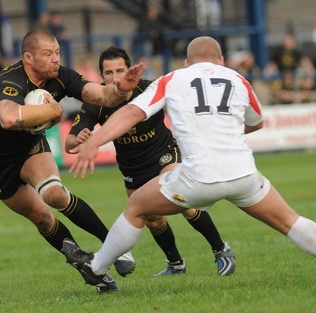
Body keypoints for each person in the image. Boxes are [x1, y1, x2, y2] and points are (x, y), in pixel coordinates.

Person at [62, 36, 316, 293]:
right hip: (243, 174)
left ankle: (96, 267)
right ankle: (181, 259)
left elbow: (130, 113)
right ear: (222, 61)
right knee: (290, 222)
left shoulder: (172, 79)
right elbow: (257, 121)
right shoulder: (238, 79)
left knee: (137, 205)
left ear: (186, 62)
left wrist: (95, 143)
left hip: (198, 176)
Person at [0, 29, 146, 294]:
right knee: (41, 217)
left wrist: (120, 90)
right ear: (28, 57)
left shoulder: (61, 76)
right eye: (48, 54)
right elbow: (8, 118)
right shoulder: (8, 81)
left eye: (58, 52)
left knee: (54, 195)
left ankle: (113, 248)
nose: (55, 59)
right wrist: (52, 109)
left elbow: (102, 96)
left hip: (29, 149)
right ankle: (85, 265)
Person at [65, 46, 235, 276]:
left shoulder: (148, 88)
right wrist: (80, 139)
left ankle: (221, 250)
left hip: (164, 154)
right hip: (132, 167)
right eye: (108, 73)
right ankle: (176, 265)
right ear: (101, 76)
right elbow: (70, 144)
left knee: (184, 200)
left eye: (120, 71)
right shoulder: (96, 101)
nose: (115, 78)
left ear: (130, 70)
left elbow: (186, 104)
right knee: (153, 219)